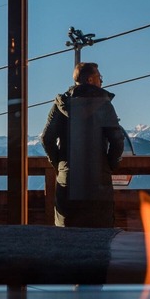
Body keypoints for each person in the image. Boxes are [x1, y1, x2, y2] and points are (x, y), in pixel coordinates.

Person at [39, 61, 127, 227]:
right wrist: (109, 165)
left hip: (69, 180)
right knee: (99, 234)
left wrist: (59, 165)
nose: (102, 81)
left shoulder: (61, 105)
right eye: (99, 77)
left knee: (67, 236)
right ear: (90, 80)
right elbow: (117, 140)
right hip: (98, 181)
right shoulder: (104, 105)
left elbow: (46, 138)